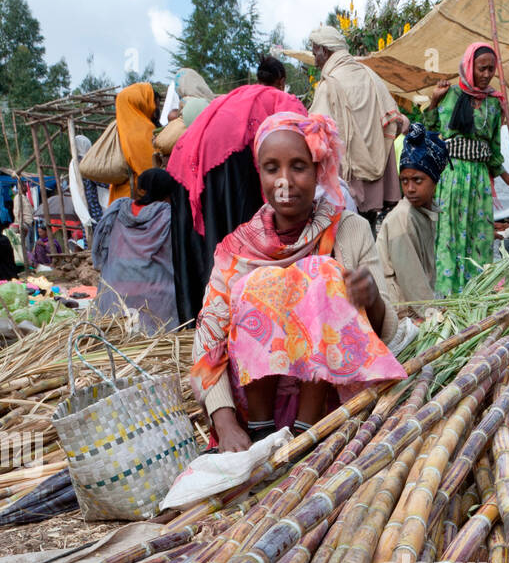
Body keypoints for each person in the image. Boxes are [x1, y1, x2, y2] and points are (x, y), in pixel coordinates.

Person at [191, 110, 406, 452]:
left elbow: (384, 332)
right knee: (257, 284)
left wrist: (372, 300)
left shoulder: (348, 230)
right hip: (253, 411)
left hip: (332, 408)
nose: (285, 181)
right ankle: (262, 431)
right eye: (272, 168)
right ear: (259, 172)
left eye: (299, 166)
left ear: (319, 170)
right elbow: (207, 344)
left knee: (322, 275)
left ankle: (306, 432)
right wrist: (226, 423)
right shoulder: (238, 249)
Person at [167, 81, 307, 324]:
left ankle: (203, 316)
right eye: (273, 168)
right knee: (231, 243)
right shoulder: (283, 112)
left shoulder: (253, 104)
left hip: (193, 162)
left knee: (213, 242)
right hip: (224, 160)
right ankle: (228, 318)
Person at [423, 43, 504, 296]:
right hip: (452, 176)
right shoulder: (449, 95)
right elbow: (429, 130)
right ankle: (447, 296)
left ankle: (476, 296)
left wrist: (506, 175)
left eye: (492, 69)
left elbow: (494, 147)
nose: (487, 74)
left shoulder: (494, 104)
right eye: (482, 68)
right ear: (470, 67)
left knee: (478, 235)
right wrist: (433, 102)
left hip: (479, 181)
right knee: (449, 234)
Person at [309, 25, 401, 226]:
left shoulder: (328, 85)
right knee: (367, 231)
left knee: (343, 234)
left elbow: (315, 134)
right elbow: (398, 122)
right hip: (376, 179)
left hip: (345, 179)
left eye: (315, 51)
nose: (314, 59)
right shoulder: (371, 76)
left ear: (325, 51)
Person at [91, 168, 179, 334]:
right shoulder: (168, 215)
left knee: (116, 332)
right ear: (168, 192)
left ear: (141, 189)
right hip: (155, 299)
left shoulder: (118, 209)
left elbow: (101, 245)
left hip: (115, 296)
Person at [377, 123, 448, 305]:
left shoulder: (424, 211)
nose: (410, 188)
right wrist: (431, 315)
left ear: (434, 180)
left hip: (411, 303)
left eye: (417, 180)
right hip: (398, 307)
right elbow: (411, 280)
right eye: (404, 181)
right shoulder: (402, 217)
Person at [110, 83, 160, 204]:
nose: (155, 107)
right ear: (141, 102)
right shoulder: (143, 130)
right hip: (138, 202)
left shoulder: (117, 128)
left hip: (118, 199)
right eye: (154, 102)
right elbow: (152, 170)